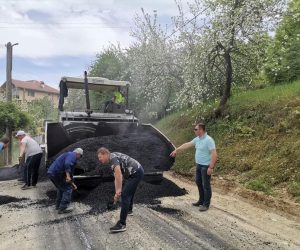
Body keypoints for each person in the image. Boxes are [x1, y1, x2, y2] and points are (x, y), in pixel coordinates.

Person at [170, 123, 217, 212]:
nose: (194, 131)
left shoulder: (209, 140)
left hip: (206, 166)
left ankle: (206, 204)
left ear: (201, 130)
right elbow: (187, 144)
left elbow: (214, 154)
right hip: (199, 165)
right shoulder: (197, 139)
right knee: (199, 182)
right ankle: (201, 200)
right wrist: (176, 150)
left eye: (195, 129)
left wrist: (211, 167)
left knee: (206, 185)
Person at [97, 147, 144, 233]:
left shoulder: (112, 159)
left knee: (125, 195)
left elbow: (119, 175)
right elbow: (116, 177)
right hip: (136, 171)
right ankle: (129, 210)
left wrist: (119, 191)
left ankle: (122, 224)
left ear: (105, 154)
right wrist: (117, 192)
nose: (99, 159)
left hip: (136, 172)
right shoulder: (113, 157)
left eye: (100, 157)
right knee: (130, 191)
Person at [47, 148, 83, 214]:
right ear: (78, 154)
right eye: (80, 156)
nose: (79, 158)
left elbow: (70, 173)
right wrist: (68, 176)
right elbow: (67, 164)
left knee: (61, 189)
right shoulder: (72, 155)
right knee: (67, 189)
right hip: (57, 173)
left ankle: (58, 206)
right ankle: (63, 208)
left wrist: (73, 184)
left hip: (52, 173)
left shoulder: (68, 155)